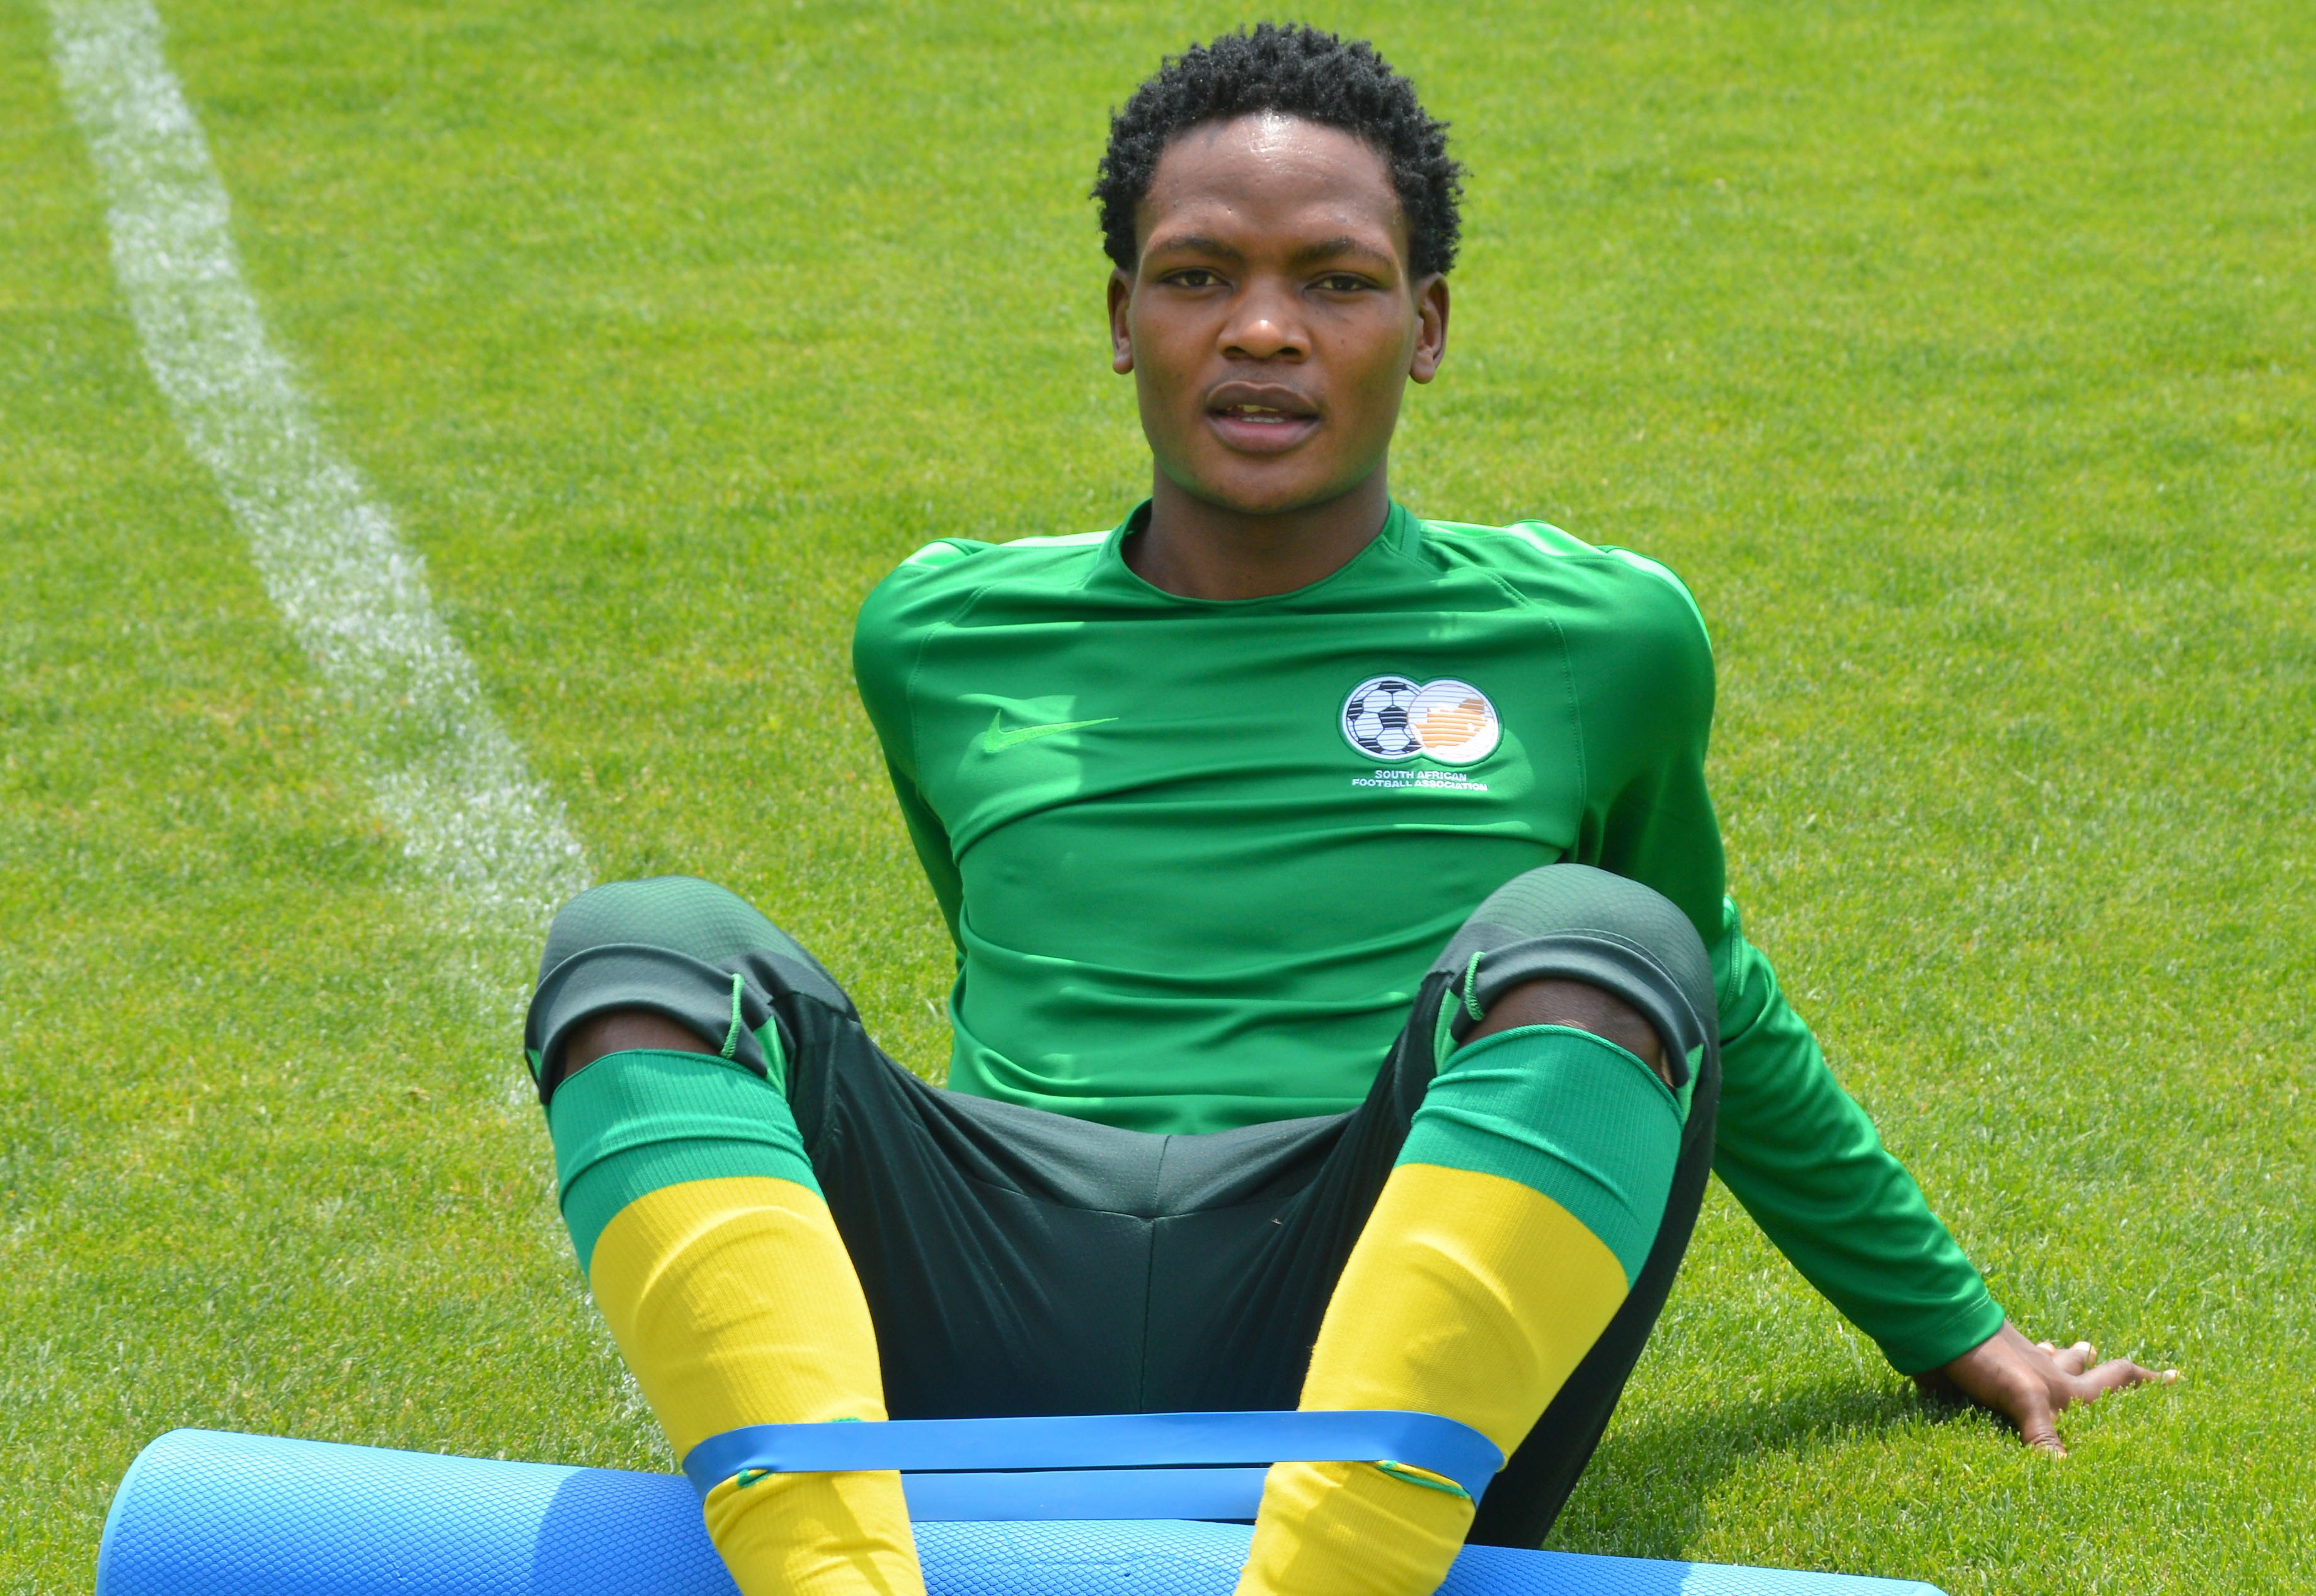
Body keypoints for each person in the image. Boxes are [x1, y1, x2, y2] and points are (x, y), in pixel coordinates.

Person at [520, 24, 2166, 1596]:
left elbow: (1703, 995)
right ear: (1121, 317)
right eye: (1196, 277)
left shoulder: (1595, 639)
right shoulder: (939, 635)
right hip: (994, 1305)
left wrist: (1946, 1322)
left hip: (1375, 1343)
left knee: (1605, 936)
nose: (1260, 330)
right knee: (640, 950)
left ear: (1425, 326)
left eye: (1334, 280)